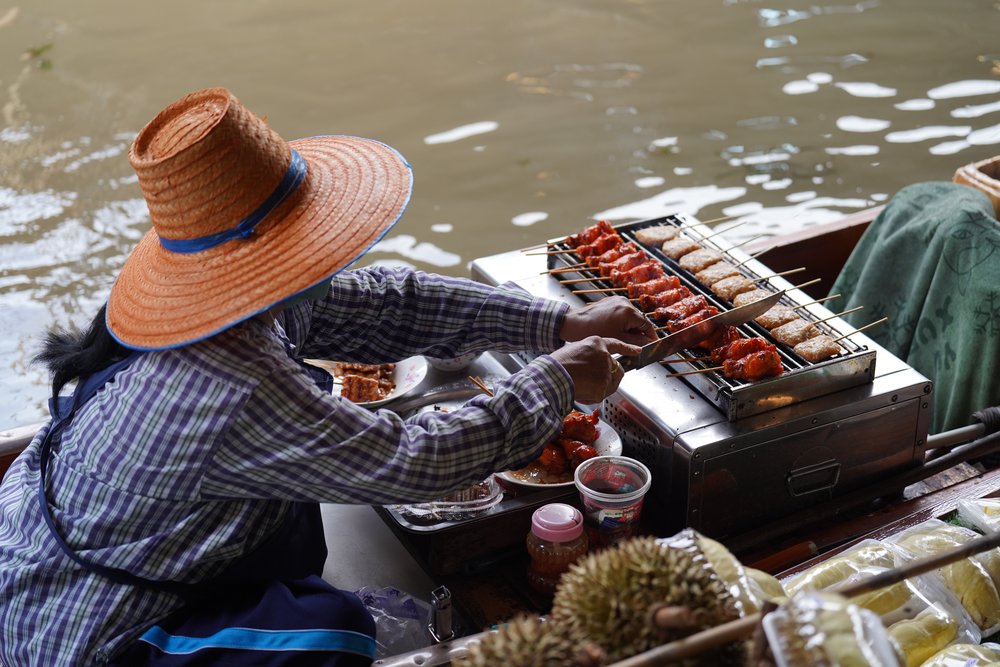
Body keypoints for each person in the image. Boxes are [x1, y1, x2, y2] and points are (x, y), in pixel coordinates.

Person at [0, 87, 656, 666]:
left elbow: (387, 302)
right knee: (332, 630)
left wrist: (557, 323)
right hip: (92, 630)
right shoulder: (231, 380)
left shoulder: (223, 305)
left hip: (77, 552)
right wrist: (556, 381)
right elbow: (413, 461)